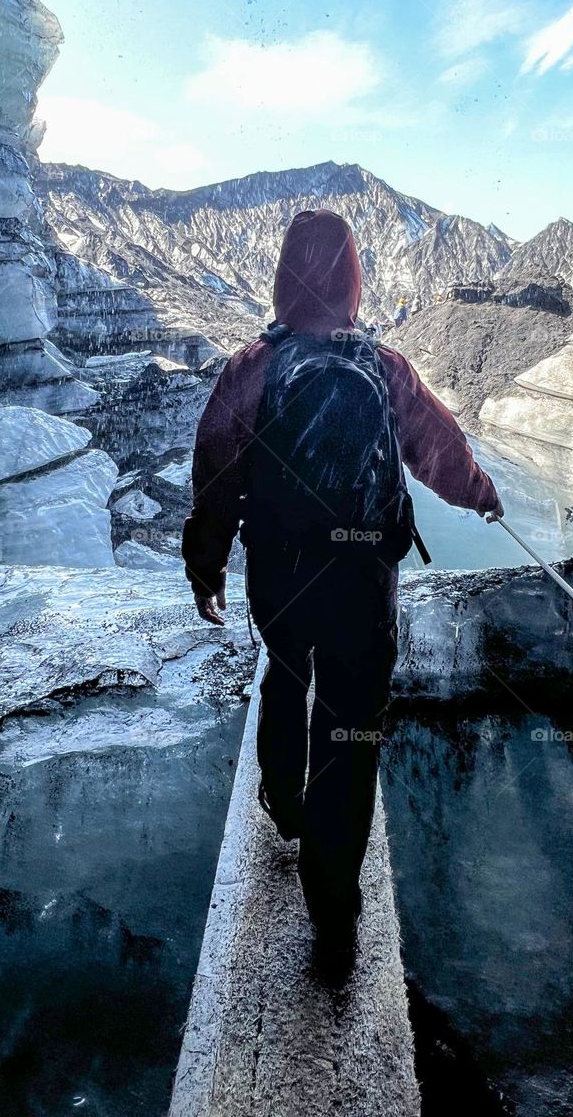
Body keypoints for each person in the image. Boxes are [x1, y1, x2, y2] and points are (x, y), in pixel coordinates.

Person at [182, 209, 502, 973]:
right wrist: (481, 493)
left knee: (286, 676)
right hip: (363, 582)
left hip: (283, 577)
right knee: (351, 728)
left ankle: (283, 805)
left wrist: (207, 564)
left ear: (285, 274)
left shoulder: (254, 364)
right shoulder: (385, 367)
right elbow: (437, 451)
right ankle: (333, 902)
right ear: (355, 278)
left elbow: (217, 472)